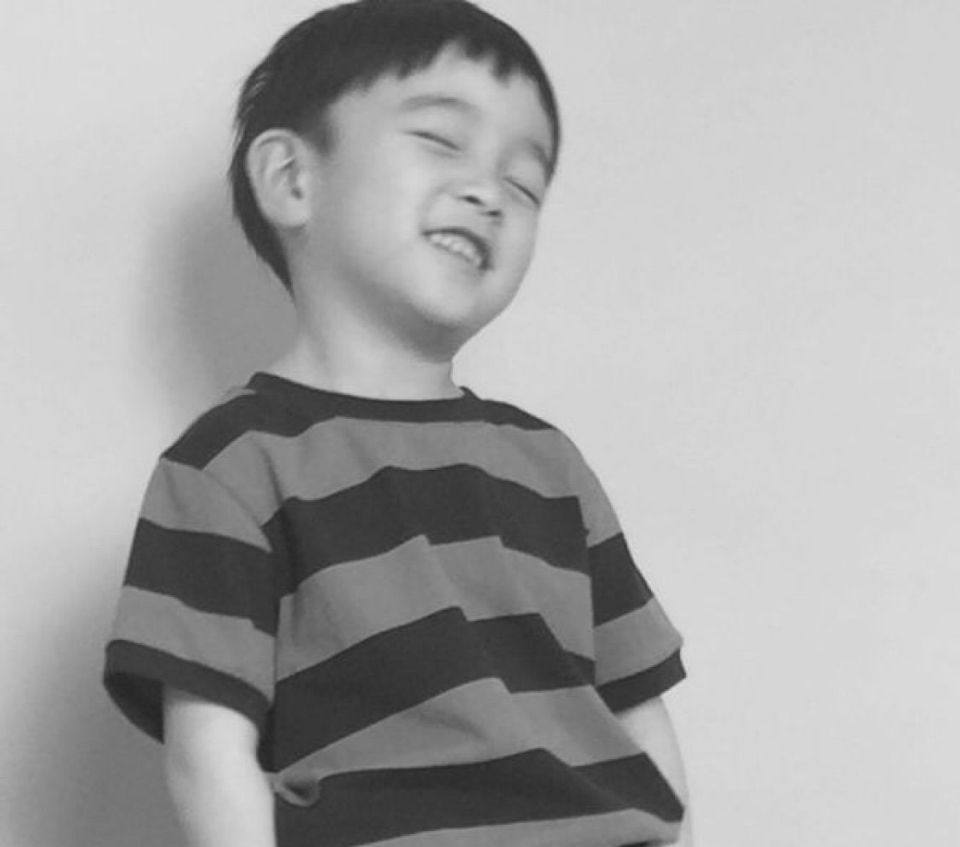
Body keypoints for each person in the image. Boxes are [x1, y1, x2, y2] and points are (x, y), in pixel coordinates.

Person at [102, 1, 692, 845]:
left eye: (524, 184)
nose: (488, 193)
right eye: (441, 141)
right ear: (292, 179)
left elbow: (637, 708)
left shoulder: (548, 463)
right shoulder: (229, 467)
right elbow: (209, 753)